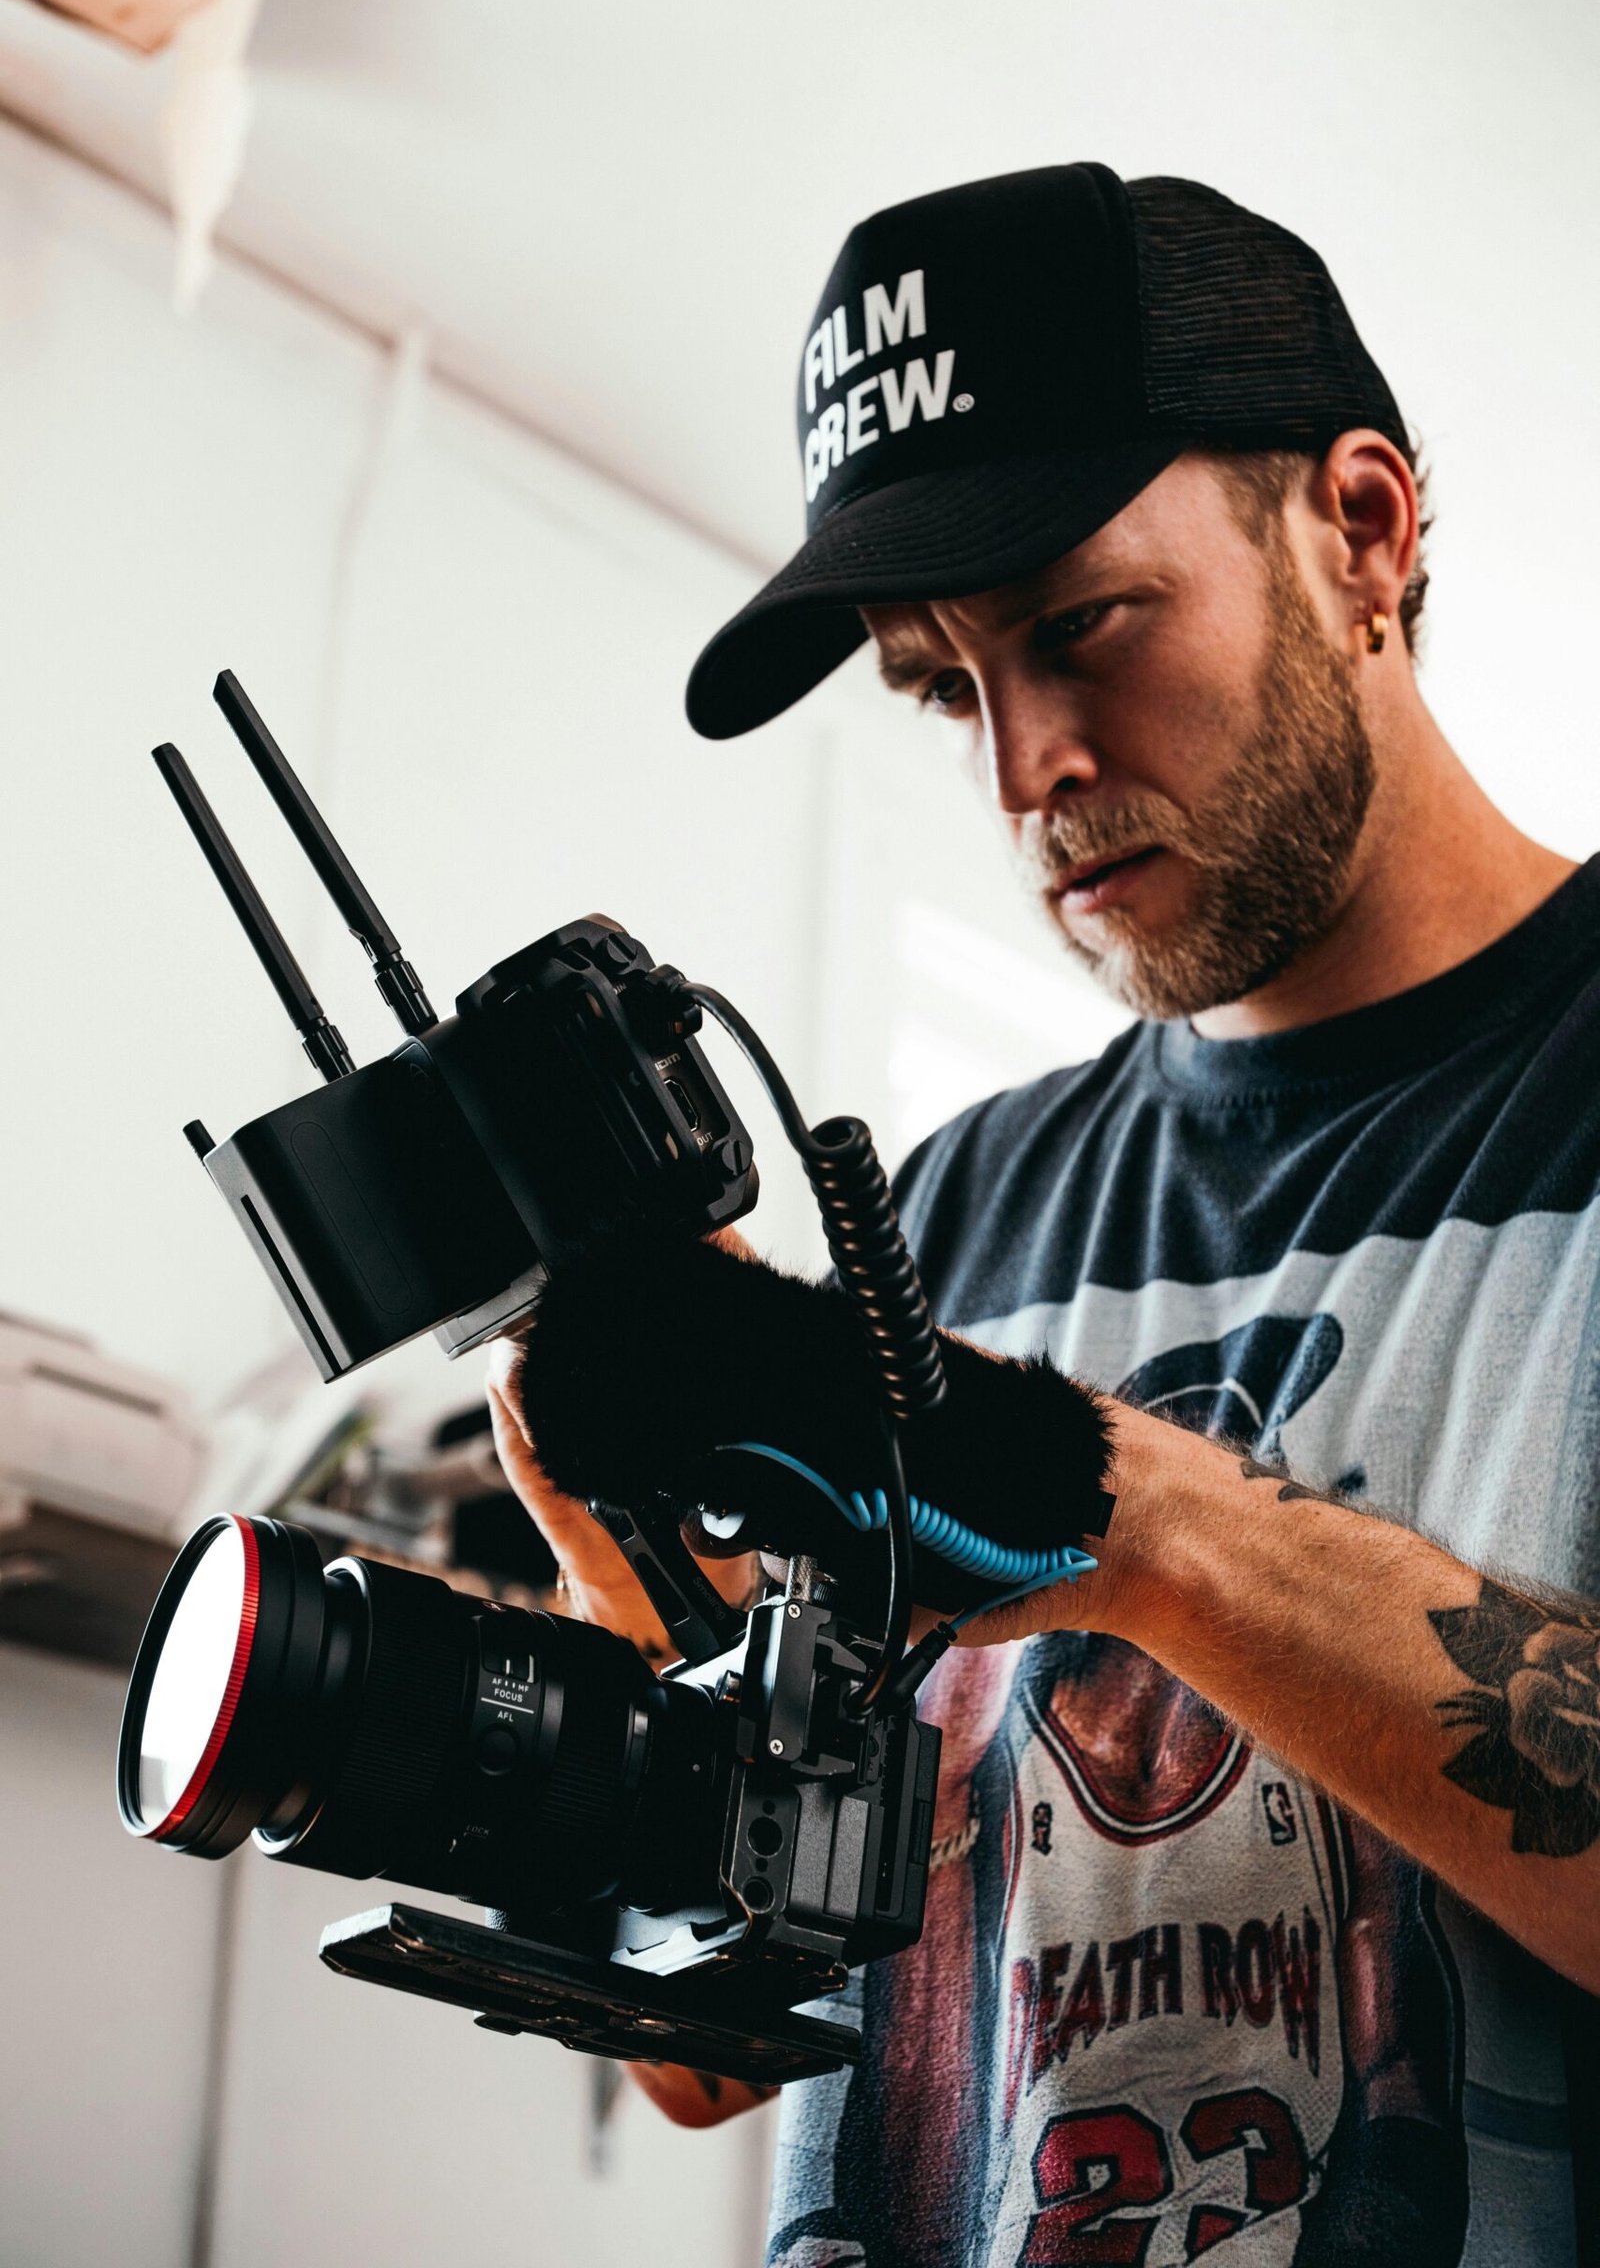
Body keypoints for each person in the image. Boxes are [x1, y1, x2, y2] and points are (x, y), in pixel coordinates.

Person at [488, 165, 1600, 2265]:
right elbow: (712, 2058)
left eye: (1078, 623)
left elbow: (1104, 1525)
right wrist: (629, 1573)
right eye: (939, 686)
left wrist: (1131, 1523)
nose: (1022, 768)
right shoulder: (951, 1209)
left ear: (1357, 529)